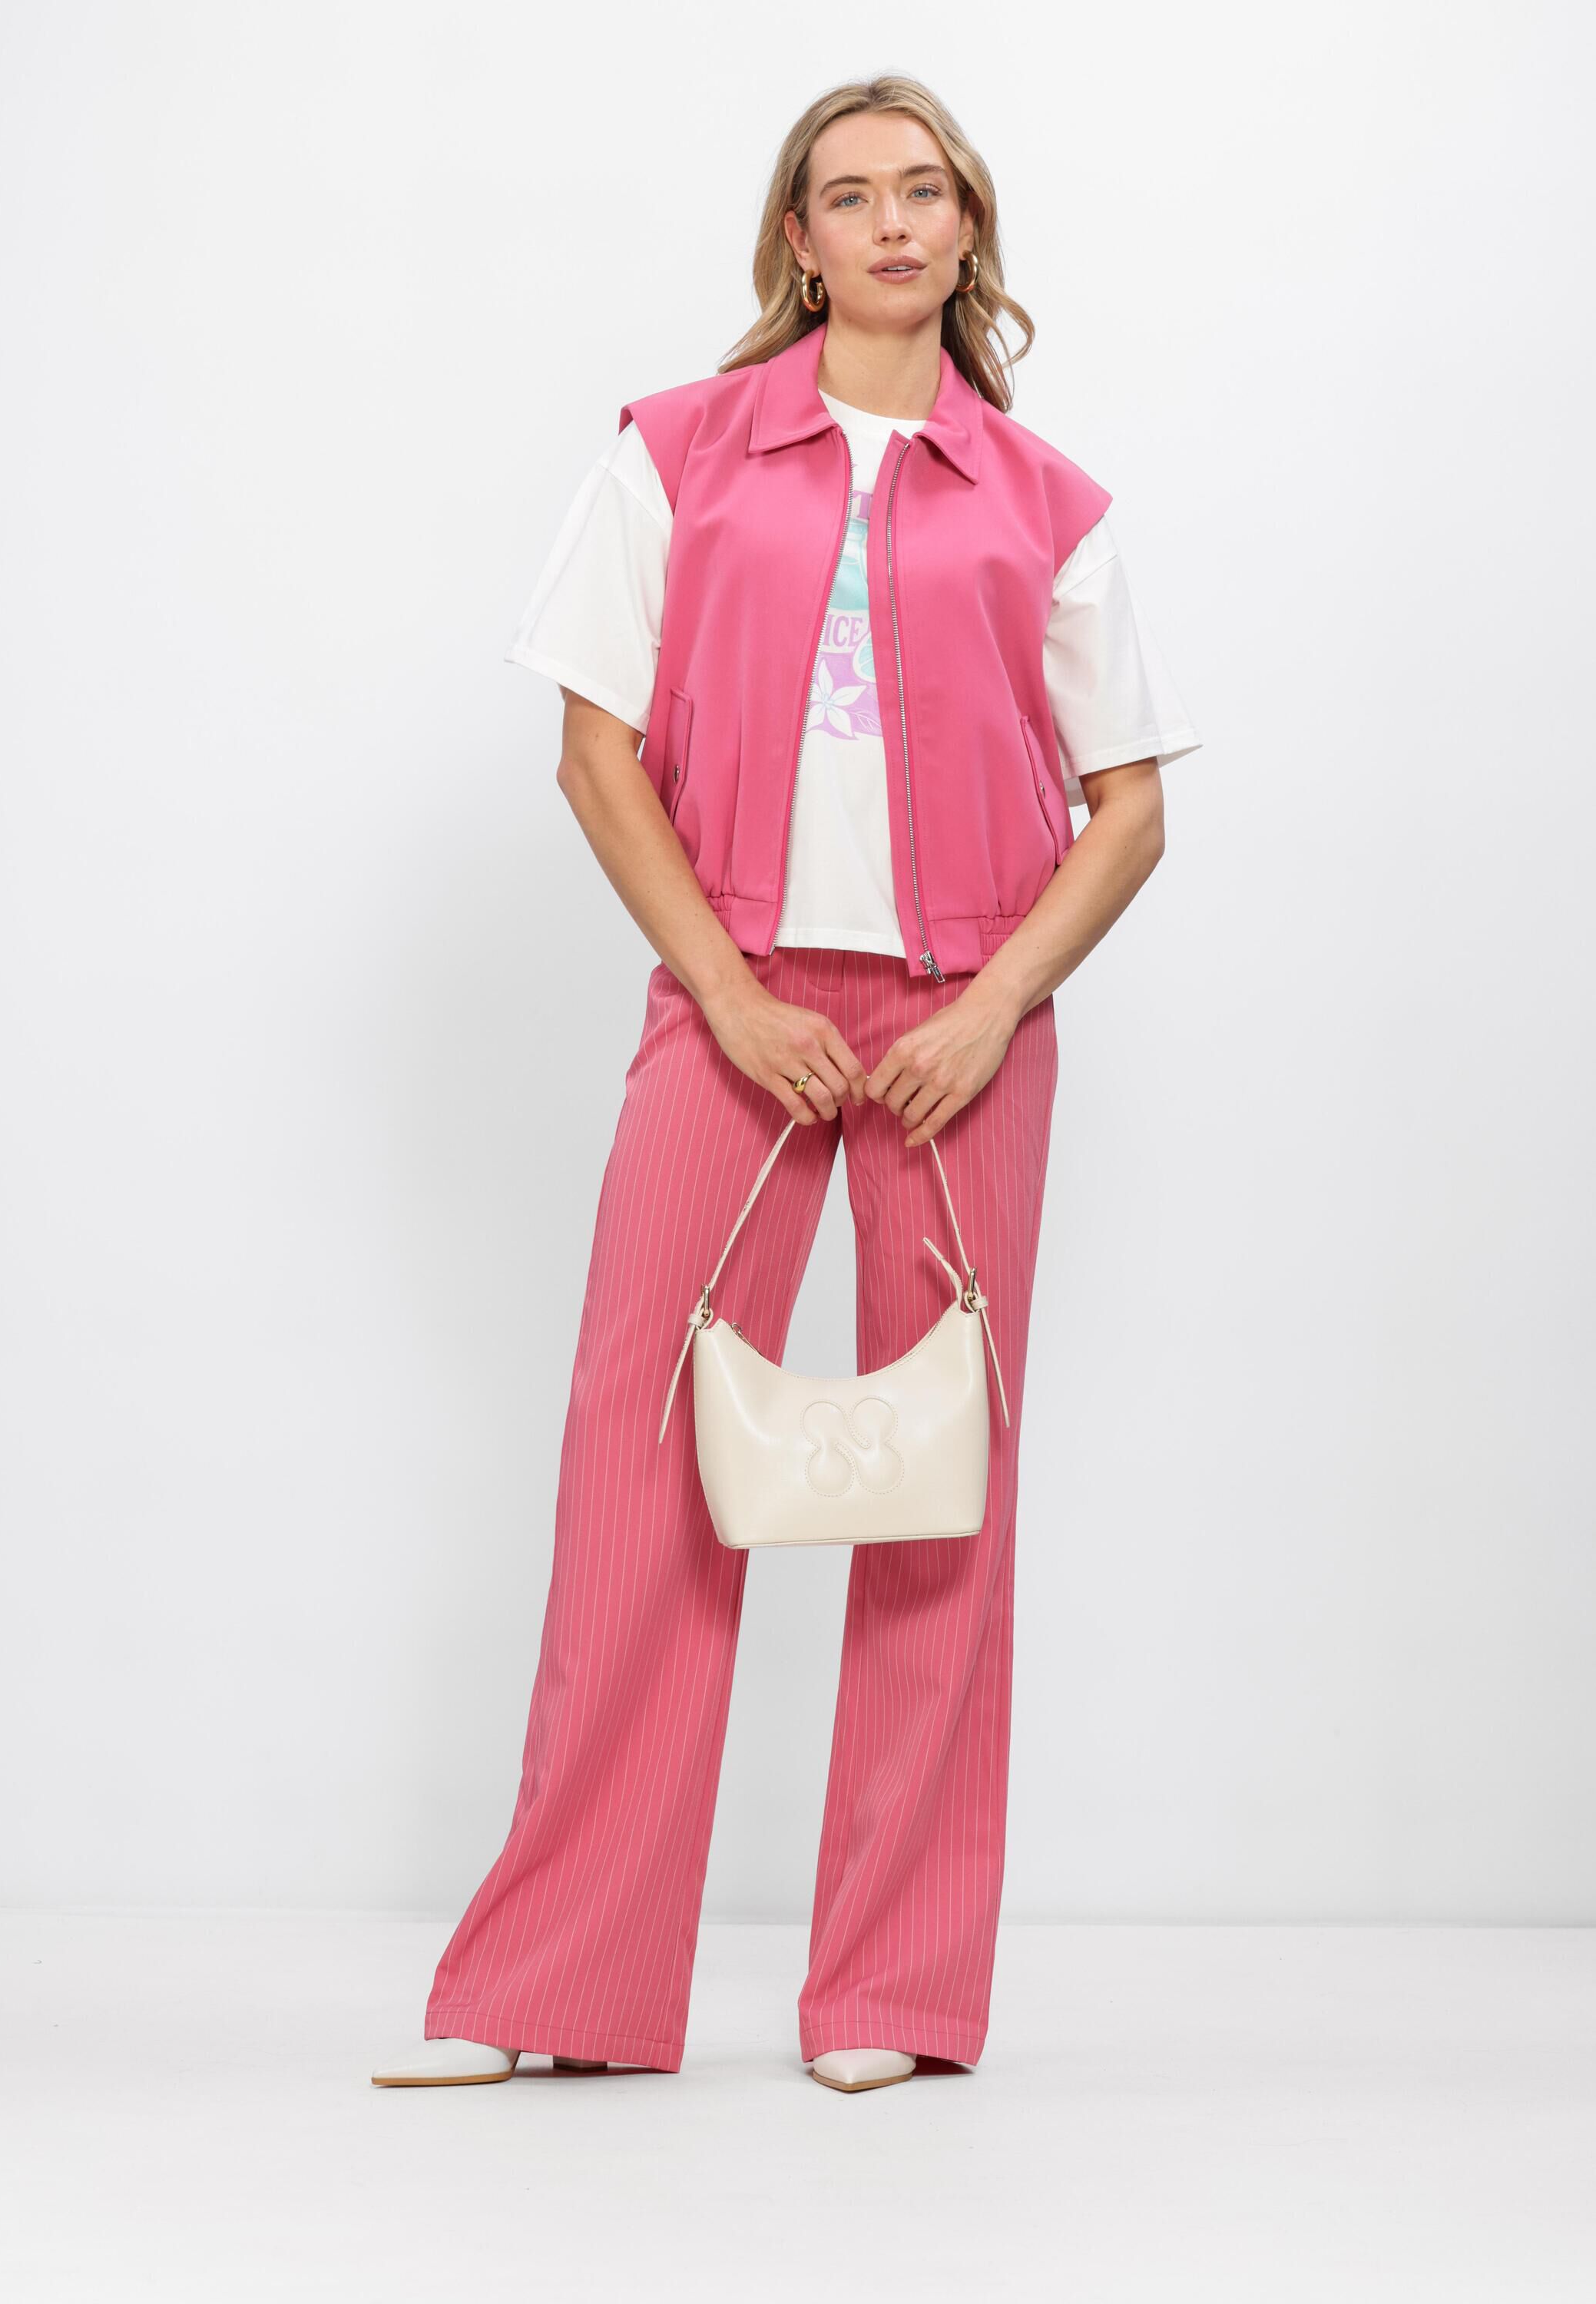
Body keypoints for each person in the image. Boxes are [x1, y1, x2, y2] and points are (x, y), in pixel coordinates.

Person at [372, 72, 1200, 2097]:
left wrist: (994, 1010)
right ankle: (555, 1988)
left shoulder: (1050, 502)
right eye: (852, 195)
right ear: (801, 242)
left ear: (968, 226)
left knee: (941, 1486)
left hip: (960, 1022)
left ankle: (895, 1997)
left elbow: (1129, 809)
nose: (892, 222)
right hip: (732, 1001)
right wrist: (728, 997)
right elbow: (596, 755)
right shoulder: (676, 455)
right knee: (638, 1460)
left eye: (926, 191)